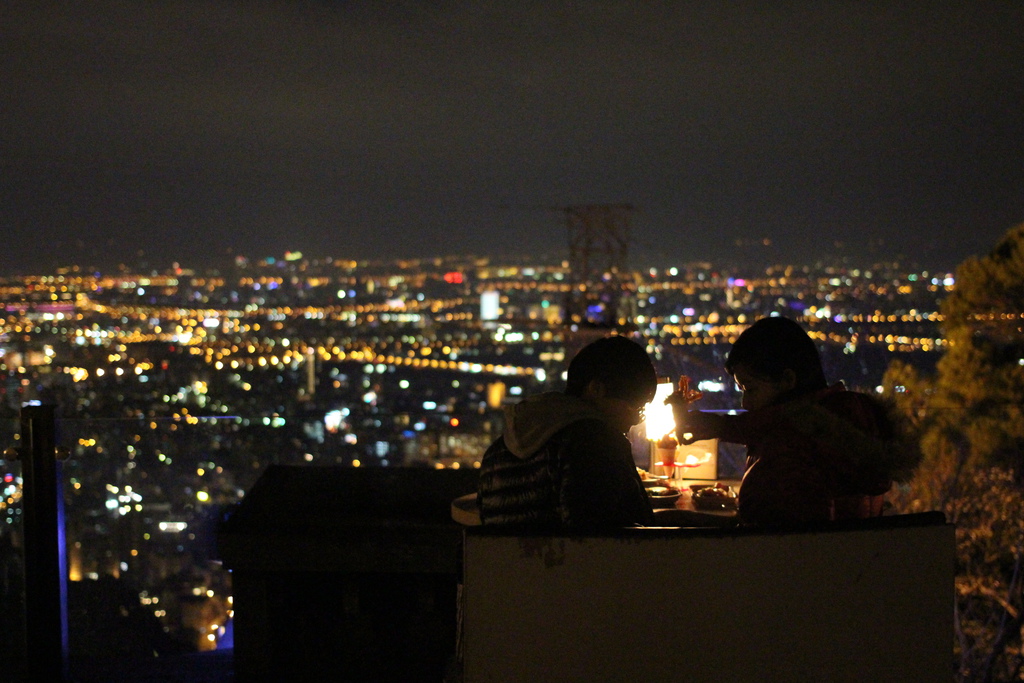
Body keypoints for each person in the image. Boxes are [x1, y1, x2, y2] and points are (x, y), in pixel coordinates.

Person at [669, 316, 909, 527]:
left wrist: (719, 427)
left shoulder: (791, 451)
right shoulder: (845, 431)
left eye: (749, 388)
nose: (745, 403)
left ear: (787, 381)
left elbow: (777, 547)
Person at [477, 335, 657, 529]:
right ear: (596, 389)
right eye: (634, 407)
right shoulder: (595, 443)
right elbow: (611, 541)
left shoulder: (496, 452)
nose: (636, 419)